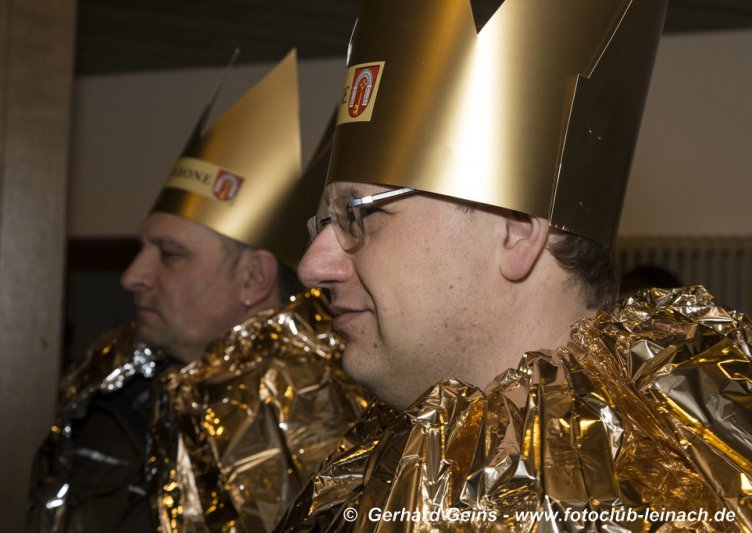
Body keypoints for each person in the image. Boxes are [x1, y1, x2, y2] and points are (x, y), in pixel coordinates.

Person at [277, 0, 752, 531]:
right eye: (325, 223)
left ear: (516, 231)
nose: (313, 265)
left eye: (361, 214)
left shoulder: (676, 502)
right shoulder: (361, 477)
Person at [28, 50, 370, 532]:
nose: (132, 276)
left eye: (170, 254)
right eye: (143, 249)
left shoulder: (329, 427)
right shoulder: (111, 393)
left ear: (253, 278)